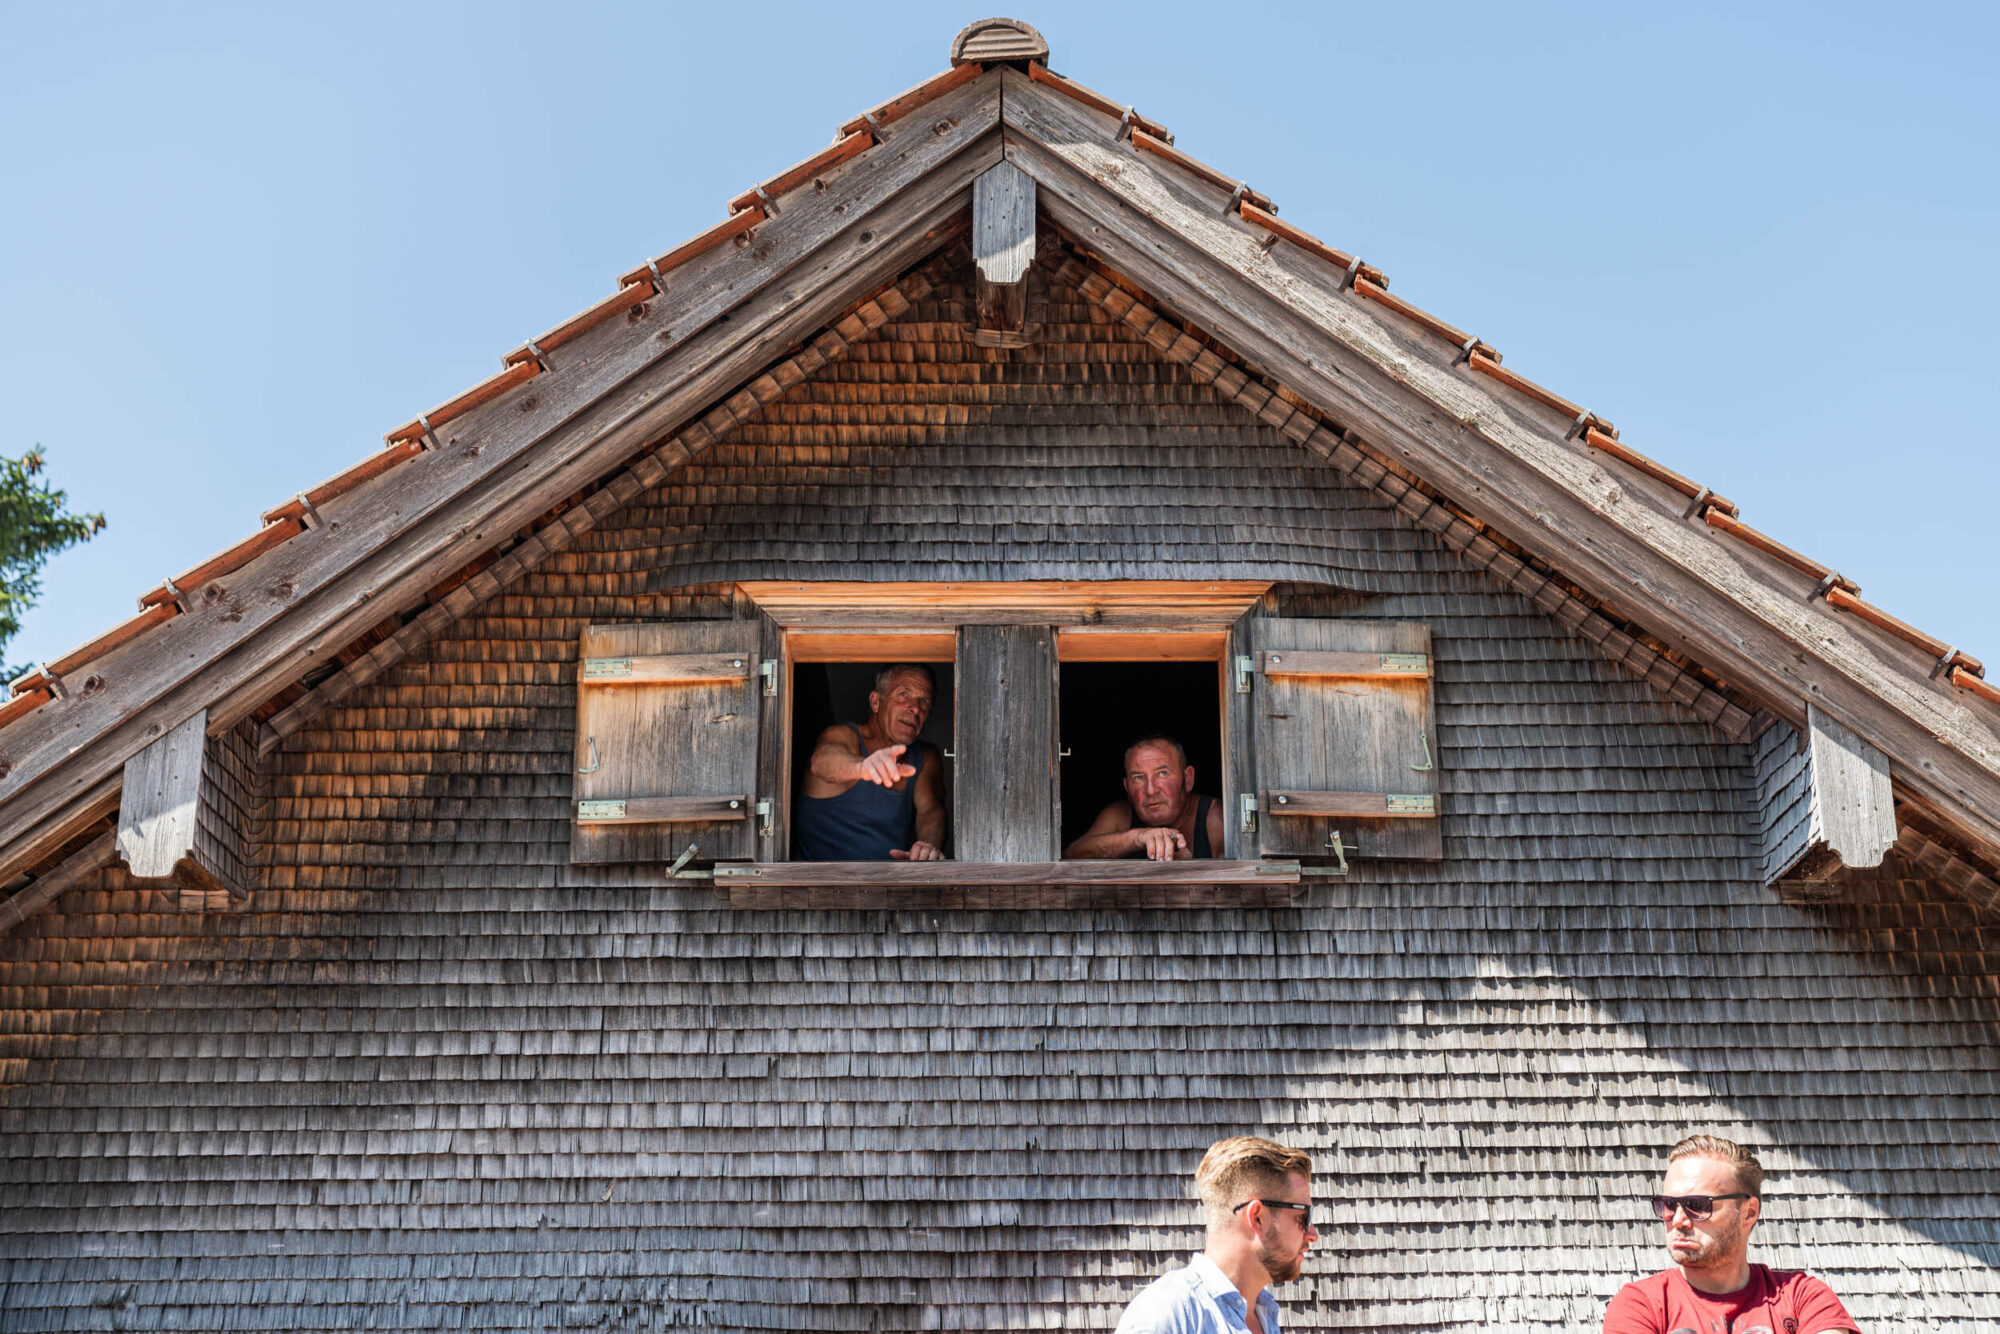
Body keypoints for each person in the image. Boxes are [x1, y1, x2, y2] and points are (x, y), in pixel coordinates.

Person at [1603, 1134, 1859, 1334]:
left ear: (1748, 1213)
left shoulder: (1802, 1296)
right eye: (1669, 1205)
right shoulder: (1641, 1305)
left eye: (1697, 1205)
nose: (1678, 1220)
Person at [1115, 1136, 1317, 1334]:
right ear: (1257, 1218)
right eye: (1303, 1217)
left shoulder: (1264, 1314)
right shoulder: (1166, 1317)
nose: (1313, 1234)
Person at [793, 664, 947, 861]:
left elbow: (930, 809)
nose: (915, 708)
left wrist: (928, 846)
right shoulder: (844, 736)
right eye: (903, 694)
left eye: (924, 701)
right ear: (876, 702)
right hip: (819, 879)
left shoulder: (924, 756)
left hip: (888, 879)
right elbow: (822, 762)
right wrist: (863, 767)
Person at [1064, 735, 1227, 861]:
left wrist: (1188, 870)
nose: (1150, 790)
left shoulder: (1216, 819)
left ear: (1188, 779)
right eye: (1138, 778)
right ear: (1127, 787)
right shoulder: (1120, 816)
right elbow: (1071, 855)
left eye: (1162, 774)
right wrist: (1138, 838)